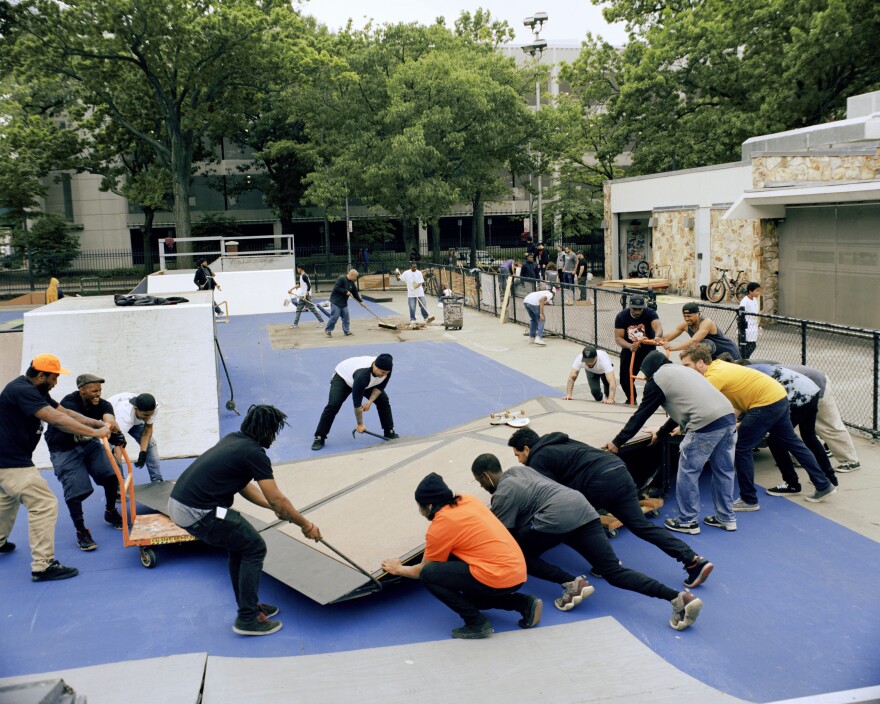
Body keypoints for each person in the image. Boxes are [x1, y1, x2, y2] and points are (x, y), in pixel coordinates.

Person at [470, 455, 703, 630]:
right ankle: (678, 598)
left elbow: (503, 536)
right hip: (582, 509)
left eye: (480, 482)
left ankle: (572, 584)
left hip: (555, 519)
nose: (481, 487)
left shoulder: (502, 494)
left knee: (519, 555)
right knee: (614, 571)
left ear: (485, 476)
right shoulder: (519, 471)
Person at [169, 405, 321, 636]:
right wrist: (305, 525)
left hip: (182, 504)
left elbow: (242, 485)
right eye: (274, 432)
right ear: (267, 431)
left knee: (239, 546)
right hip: (200, 512)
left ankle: (248, 604)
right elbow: (278, 498)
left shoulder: (234, 440)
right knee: (254, 547)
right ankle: (247, 619)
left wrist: (273, 508)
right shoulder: (254, 453)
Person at [507, 428, 713, 589]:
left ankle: (605, 563)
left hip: (598, 482)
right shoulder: (560, 441)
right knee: (641, 526)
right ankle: (693, 560)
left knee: (575, 521)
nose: (520, 461)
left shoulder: (538, 458)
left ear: (527, 448)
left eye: (518, 455)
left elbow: (547, 495)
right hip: (618, 469)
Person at [381, 472, 542, 640]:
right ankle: (525, 604)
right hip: (516, 570)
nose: (419, 510)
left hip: (498, 576)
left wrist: (398, 569)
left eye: (420, 506)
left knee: (429, 575)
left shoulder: (440, 526)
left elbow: (422, 570)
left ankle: (476, 623)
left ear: (429, 506)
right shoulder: (467, 500)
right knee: (472, 598)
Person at [679, 344, 836, 507]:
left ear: (700, 363)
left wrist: (680, 424)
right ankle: (823, 484)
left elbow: (699, 405)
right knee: (792, 442)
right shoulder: (718, 365)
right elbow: (738, 397)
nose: (685, 370)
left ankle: (749, 499)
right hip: (778, 397)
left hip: (766, 404)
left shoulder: (713, 377)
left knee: (742, 447)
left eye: (687, 365)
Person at [1, 354, 111, 582]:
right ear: (41, 375)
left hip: (8, 459)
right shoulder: (21, 390)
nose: (56, 382)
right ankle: (43, 566)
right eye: (54, 378)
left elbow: (64, 412)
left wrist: (97, 423)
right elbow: (56, 420)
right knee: (44, 504)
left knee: (6, 500)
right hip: (10, 460)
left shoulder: (36, 391)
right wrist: (95, 433)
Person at [604, 352, 738, 533]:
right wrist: (661, 433)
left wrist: (617, 442)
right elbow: (682, 408)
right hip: (728, 417)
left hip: (704, 424)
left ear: (649, 371)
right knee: (724, 471)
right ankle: (726, 518)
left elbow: (642, 414)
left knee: (688, 471)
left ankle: (687, 521)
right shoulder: (681, 372)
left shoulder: (657, 380)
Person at [45, 374, 126, 551]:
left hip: (88, 443)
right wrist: (100, 429)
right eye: (94, 390)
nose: (98, 393)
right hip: (64, 447)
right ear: (82, 390)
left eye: (100, 390)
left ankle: (111, 511)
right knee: (76, 489)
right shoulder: (69, 402)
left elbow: (109, 420)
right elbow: (78, 422)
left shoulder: (102, 403)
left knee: (112, 475)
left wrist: (116, 432)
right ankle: (81, 531)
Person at [740, 361, 837, 496]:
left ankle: (792, 483)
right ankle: (829, 477)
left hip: (798, 397)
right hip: (811, 390)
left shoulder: (746, 375)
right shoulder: (756, 367)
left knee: (776, 440)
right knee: (808, 435)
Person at [311, 354, 399, 450]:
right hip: (343, 378)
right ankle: (319, 437)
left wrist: (370, 401)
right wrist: (360, 424)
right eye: (382, 372)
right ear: (375, 366)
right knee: (333, 405)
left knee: (383, 400)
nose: (384, 375)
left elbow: (380, 387)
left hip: (364, 381)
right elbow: (357, 402)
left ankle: (389, 431)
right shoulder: (362, 376)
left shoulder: (386, 370)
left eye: (387, 373)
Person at [615, 294, 663, 404]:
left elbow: (658, 327)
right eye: (634, 309)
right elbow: (618, 338)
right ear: (629, 306)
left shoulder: (650, 313)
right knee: (625, 378)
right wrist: (629, 346)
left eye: (640, 309)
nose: (637, 311)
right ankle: (631, 398)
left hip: (648, 350)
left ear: (644, 307)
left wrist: (657, 336)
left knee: (653, 377)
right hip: (630, 350)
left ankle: (650, 401)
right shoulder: (622, 316)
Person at [108, 392, 163, 483]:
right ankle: (118, 485)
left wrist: (143, 452)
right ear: (136, 409)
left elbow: (147, 429)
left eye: (150, 415)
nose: (148, 418)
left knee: (151, 444)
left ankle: (157, 480)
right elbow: (118, 450)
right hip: (113, 421)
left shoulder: (154, 407)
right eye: (145, 415)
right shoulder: (124, 417)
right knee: (114, 451)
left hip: (135, 419)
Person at [663, 302, 740, 360]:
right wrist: (655, 339)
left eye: (689, 316)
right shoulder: (685, 325)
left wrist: (672, 348)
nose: (686, 319)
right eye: (684, 316)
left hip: (730, 354)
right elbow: (666, 338)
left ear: (697, 314)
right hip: (714, 358)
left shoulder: (706, 323)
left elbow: (694, 341)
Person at [325, 269, 366, 337]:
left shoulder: (352, 283)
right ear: (352, 274)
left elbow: (355, 294)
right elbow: (336, 287)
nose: (355, 278)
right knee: (335, 317)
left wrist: (360, 302)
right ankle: (328, 330)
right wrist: (345, 291)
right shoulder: (341, 278)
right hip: (336, 302)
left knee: (346, 317)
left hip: (344, 303)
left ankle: (346, 331)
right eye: (355, 277)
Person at [287, 264, 324, 329]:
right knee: (298, 309)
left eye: (298, 269)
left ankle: (321, 322)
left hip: (306, 296)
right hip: (302, 296)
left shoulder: (304, 276)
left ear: (300, 269)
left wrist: (305, 295)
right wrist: (291, 289)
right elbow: (299, 285)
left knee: (312, 309)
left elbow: (309, 286)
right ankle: (295, 324)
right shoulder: (301, 276)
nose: (297, 270)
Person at [739, 282, 761, 359]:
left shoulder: (754, 300)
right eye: (756, 291)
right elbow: (741, 314)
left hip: (753, 325)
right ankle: (744, 359)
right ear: (750, 291)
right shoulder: (745, 301)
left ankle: (745, 359)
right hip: (747, 327)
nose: (758, 293)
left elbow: (756, 312)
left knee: (752, 344)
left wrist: (758, 323)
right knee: (748, 345)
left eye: (759, 291)